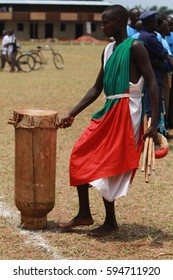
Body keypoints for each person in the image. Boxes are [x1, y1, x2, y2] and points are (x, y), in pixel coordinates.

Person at [59, 4, 159, 236]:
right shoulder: (107, 51)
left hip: (127, 110)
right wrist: (72, 113)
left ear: (121, 21)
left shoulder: (136, 47)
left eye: (106, 22)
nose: (102, 26)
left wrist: (153, 121)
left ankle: (110, 221)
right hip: (108, 108)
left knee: (109, 165)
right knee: (79, 153)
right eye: (101, 22)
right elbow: (96, 88)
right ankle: (84, 213)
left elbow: (153, 83)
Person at [138, 11, 173, 136]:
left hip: (150, 75)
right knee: (153, 107)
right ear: (150, 22)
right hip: (154, 75)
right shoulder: (149, 38)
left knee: (151, 106)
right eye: (154, 22)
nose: (156, 24)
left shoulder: (143, 36)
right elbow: (165, 56)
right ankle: (151, 136)